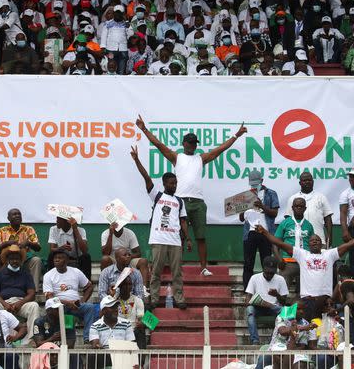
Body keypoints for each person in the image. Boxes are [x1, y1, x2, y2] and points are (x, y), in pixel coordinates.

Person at [136, 115, 247, 276]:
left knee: (201, 237)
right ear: (184, 144)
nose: (193, 146)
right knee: (177, 236)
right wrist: (144, 129)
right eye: (191, 143)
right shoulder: (176, 157)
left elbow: (220, 149)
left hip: (197, 203)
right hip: (179, 202)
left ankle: (204, 267)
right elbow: (158, 145)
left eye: (195, 143)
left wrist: (236, 135)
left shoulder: (200, 158)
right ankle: (176, 267)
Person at [256, 224, 354, 318]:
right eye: (312, 240)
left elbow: (350, 244)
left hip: (324, 300)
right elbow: (280, 243)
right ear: (308, 244)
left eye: (317, 240)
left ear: (321, 243)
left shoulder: (329, 254)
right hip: (307, 300)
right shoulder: (302, 254)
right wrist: (265, 232)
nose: (315, 242)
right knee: (307, 329)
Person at [131, 145, 189, 310]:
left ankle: (179, 299)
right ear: (164, 183)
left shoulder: (179, 201)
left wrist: (188, 238)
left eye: (176, 183)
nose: (174, 185)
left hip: (175, 241)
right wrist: (137, 160)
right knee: (155, 272)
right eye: (171, 183)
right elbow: (146, 177)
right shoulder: (157, 195)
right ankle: (154, 299)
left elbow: (183, 221)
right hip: (158, 239)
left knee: (177, 273)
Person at [42, 248, 97, 341]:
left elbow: (89, 286)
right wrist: (67, 303)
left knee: (90, 307)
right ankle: (63, 337)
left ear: (67, 260)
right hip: (59, 307)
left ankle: (88, 338)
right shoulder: (48, 275)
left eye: (60, 257)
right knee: (54, 308)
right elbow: (49, 298)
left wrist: (82, 301)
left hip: (76, 305)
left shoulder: (76, 271)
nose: (57, 259)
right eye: (55, 257)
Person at [0, 244, 39, 345]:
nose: (15, 261)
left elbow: (31, 293)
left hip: (21, 303)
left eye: (17, 259)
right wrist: (5, 304)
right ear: (7, 259)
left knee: (34, 306)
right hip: (4, 303)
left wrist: (20, 303)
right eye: (12, 259)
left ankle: (31, 339)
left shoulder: (26, 274)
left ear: (21, 260)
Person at [239, 169, 279, 289]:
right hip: (249, 233)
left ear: (262, 181)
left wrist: (262, 206)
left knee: (266, 263)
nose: (254, 186)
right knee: (248, 263)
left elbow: (274, 213)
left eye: (256, 183)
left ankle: (267, 289)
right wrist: (242, 209)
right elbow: (241, 218)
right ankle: (248, 289)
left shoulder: (271, 193)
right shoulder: (245, 195)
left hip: (265, 232)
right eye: (252, 183)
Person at [273, 197, 314, 297]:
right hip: (287, 263)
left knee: (303, 294)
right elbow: (275, 243)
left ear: (305, 208)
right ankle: (280, 311)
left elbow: (313, 245)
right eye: (296, 206)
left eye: (301, 206)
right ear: (292, 208)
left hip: (304, 263)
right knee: (282, 292)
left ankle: (301, 312)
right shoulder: (285, 223)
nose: (299, 208)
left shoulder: (309, 225)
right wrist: (279, 260)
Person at [0, 208, 43, 292]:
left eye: (19, 214)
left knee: (36, 260)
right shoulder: (1, 230)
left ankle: (33, 290)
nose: (17, 216)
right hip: (7, 260)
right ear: (8, 218)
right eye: (14, 214)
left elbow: (38, 247)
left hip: (24, 259)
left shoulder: (28, 229)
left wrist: (27, 243)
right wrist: (7, 243)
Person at [245, 256, 289, 345]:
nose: (269, 275)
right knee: (250, 310)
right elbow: (247, 300)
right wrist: (260, 303)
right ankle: (255, 341)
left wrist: (277, 295)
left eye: (272, 273)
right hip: (259, 308)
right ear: (263, 268)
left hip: (273, 308)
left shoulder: (280, 279)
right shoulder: (255, 278)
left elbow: (284, 302)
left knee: (285, 311)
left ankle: (275, 341)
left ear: (276, 270)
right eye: (267, 272)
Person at [283, 171, 334, 247]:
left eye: (309, 180)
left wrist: (329, 237)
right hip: (298, 241)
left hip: (319, 240)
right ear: (300, 183)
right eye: (304, 180)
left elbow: (328, 219)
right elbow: (288, 220)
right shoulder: (293, 198)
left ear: (313, 182)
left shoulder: (321, 197)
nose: (307, 182)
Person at [99, 222, 149, 289]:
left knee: (143, 261)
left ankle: (143, 289)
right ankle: (106, 288)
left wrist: (127, 257)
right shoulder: (105, 233)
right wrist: (111, 234)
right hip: (113, 259)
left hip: (127, 258)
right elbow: (105, 253)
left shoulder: (129, 233)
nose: (116, 224)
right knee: (105, 259)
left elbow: (138, 253)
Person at [48, 215, 91, 279]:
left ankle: (87, 283)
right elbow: (52, 249)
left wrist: (75, 229)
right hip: (61, 257)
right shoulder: (53, 229)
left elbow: (84, 250)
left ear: (66, 221)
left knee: (86, 256)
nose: (56, 221)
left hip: (76, 258)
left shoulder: (81, 230)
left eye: (59, 219)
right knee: (51, 255)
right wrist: (61, 248)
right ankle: (51, 278)